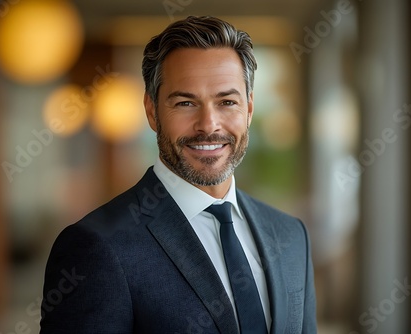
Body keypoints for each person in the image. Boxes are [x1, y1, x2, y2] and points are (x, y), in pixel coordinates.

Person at [40, 15, 316, 334]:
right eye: (186, 102)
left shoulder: (291, 235)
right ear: (152, 111)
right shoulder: (97, 246)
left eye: (227, 101)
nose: (208, 125)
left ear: (249, 109)